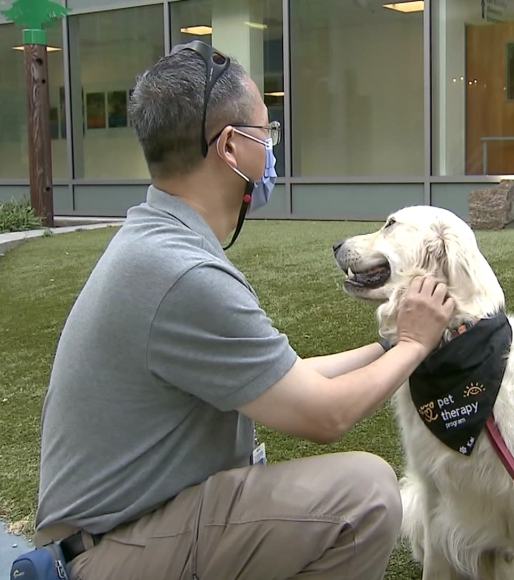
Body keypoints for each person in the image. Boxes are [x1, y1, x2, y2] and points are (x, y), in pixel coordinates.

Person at [32, 41, 455, 580]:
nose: (273, 148)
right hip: (111, 552)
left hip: (119, 533)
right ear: (231, 147)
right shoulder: (181, 273)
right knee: (365, 495)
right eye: (266, 133)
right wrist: (417, 346)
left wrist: (388, 346)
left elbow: (290, 379)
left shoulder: (159, 241)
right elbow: (323, 414)